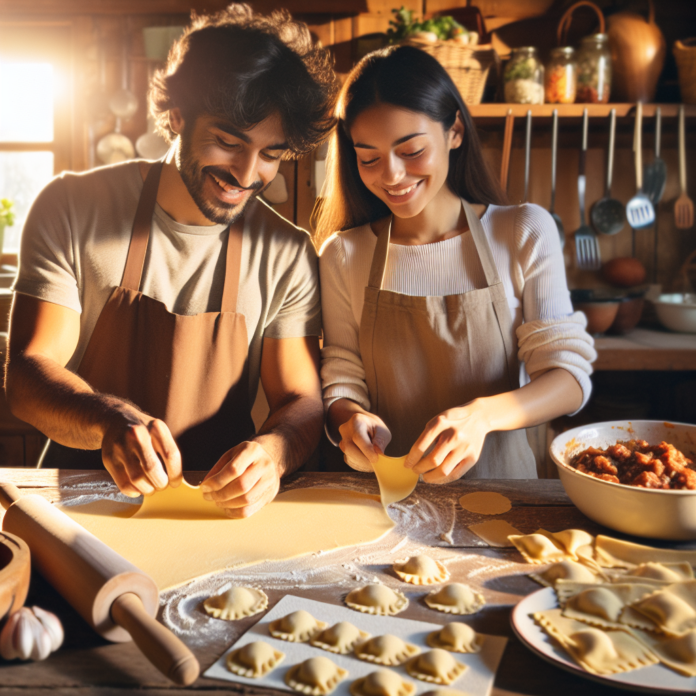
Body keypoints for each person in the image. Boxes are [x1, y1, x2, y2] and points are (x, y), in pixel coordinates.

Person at [5, 4, 338, 517]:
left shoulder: (286, 252)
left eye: (271, 154)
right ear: (178, 116)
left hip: (213, 512)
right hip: (78, 507)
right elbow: (29, 376)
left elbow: (301, 399)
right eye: (229, 142)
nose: (247, 175)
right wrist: (109, 418)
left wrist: (272, 454)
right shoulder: (72, 206)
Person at [314, 45, 596, 482]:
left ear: (455, 131)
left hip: (506, 498)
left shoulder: (522, 231)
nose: (390, 175)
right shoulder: (343, 253)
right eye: (368, 158)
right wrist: (349, 418)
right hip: (381, 500)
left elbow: (567, 377)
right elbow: (343, 375)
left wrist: (482, 416)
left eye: (410, 151)